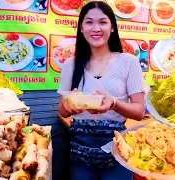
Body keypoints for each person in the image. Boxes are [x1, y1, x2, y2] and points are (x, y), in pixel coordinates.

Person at [57, 1, 145, 179]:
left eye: (102, 22)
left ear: (112, 27)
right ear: (81, 28)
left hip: (117, 151)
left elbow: (139, 111)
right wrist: (68, 105)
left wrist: (113, 103)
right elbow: (61, 110)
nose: (95, 28)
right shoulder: (69, 65)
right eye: (89, 22)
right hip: (79, 154)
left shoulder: (128, 61)